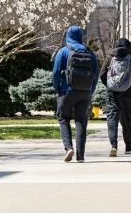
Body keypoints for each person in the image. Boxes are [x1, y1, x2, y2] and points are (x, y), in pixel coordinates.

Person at [51, 25, 98, 163]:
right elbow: (95, 74)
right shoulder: (89, 53)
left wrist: (57, 88)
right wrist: (91, 89)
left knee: (63, 118)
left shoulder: (64, 51)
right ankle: (80, 155)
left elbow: (55, 72)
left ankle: (68, 148)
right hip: (85, 92)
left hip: (66, 91)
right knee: (81, 122)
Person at [100, 38, 131, 157]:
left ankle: (113, 145)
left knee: (112, 119)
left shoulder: (110, 57)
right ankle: (128, 145)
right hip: (128, 94)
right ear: (129, 47)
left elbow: (102, 74)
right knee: (126, 120)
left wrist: (109, 86)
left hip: (112, 93)